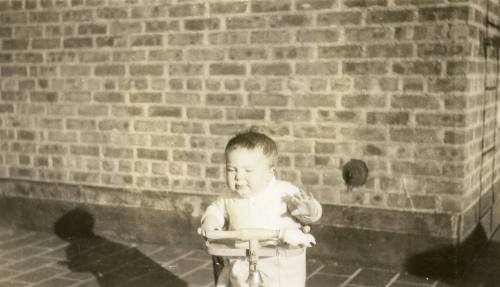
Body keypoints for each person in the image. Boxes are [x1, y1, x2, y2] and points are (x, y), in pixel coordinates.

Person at [200, 130, 322, 287]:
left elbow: (310, 214)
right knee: (233, 279)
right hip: (243, 260)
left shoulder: (283, 192)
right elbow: (215, 209)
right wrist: (210, 222)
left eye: (248, 170)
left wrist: (309, 211)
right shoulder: (227, 195)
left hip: (280, 264)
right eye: (231, 169)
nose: (238, 176)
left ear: (270, 172)